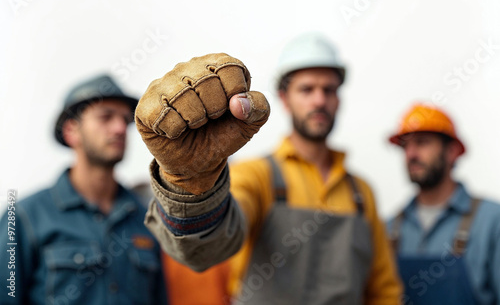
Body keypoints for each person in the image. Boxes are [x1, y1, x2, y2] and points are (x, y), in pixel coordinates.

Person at [135, 34, 402, 305]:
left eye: (329, 90)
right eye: (307, 89)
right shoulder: (256, 176)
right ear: (285, 99)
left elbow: (383, 289)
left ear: (338, 99)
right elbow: (206, 249)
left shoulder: (361, 194)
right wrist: (192, 183)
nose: (319, 100)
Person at [0, 75, 167, 305]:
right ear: (72, 131)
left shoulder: (147, 217)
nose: (119, 128)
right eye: (105, 117)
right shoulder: (23, 218)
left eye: (124, 120)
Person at [386, 103, 500, 305]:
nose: (411, 154)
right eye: (406, 146)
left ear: (452, 151)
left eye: (422, 143)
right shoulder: (388, 229)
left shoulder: (491, 221)